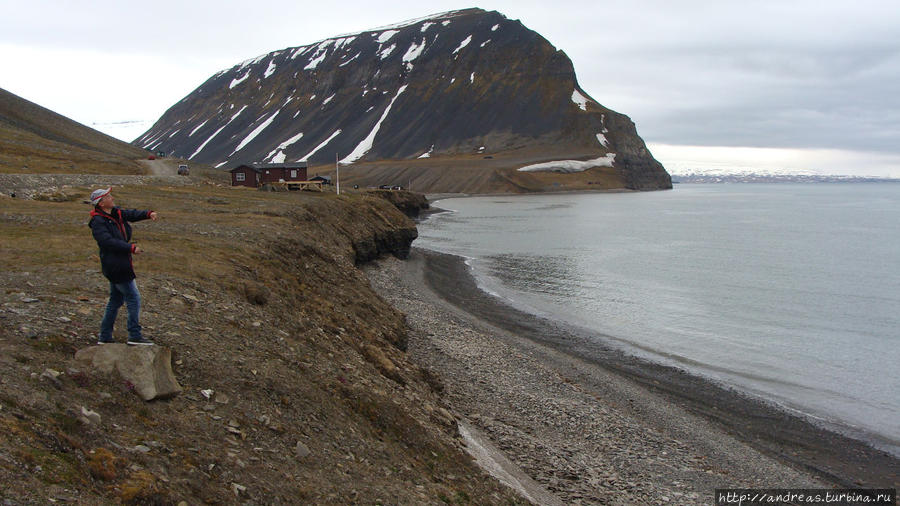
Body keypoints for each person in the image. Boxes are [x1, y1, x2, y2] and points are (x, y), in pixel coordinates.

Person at [88, 188, 158, 345]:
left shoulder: (115, 213)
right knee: (133, 298)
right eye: (108, 196)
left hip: (119, 263)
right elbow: (107, 242)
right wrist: (130, 248)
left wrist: (148, 214)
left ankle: (105, 336)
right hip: (116, 265)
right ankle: (134, 335)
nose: (112, 198)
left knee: (115, 300)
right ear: (101, 202)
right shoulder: (98, 222)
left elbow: (131, 214)